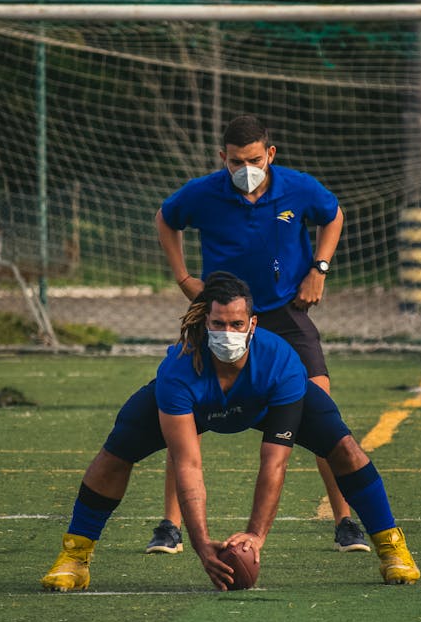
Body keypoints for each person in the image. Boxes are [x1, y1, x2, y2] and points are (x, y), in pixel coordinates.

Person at [41, 272, 420, 592]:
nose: (228, 332)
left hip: (265, 399)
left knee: (345, 448)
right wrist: (201, 544)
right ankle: (75, 556)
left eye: (237, 324)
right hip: (199, 404)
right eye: (219, 324)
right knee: (112, 457)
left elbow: (274, 463)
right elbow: (187, 465)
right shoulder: (178, 367)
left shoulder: (282, 362)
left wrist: (256, 536)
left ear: (252, 324)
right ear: (205, 322)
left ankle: (390, 546)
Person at [147, 112, 369, 558]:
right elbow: (165, 219)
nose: (243, 169)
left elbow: (334, 215)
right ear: (221, 158)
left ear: (269, 154)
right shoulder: (204, 193)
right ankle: (170, 526)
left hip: (284, 311)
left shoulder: (299, 187)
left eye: (252, 159)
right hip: (221, 312)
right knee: (184, 413)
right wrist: (183, 277)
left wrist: (318, 270)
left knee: (322, 408)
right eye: (233, 161)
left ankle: (346, 521)